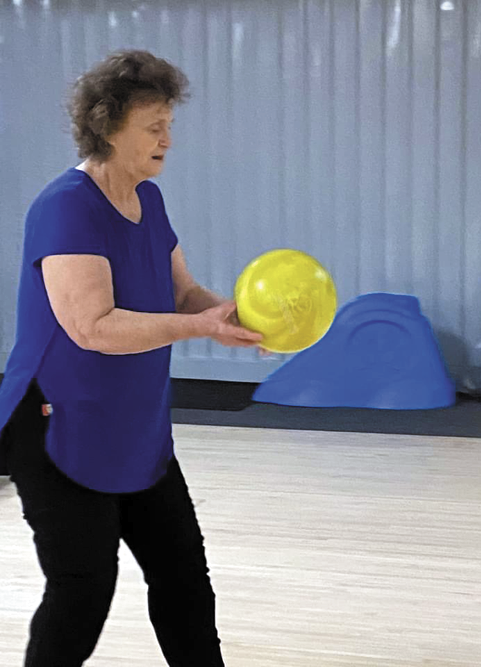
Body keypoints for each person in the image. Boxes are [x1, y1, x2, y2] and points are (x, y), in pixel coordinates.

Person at [0, 49, 263, 667]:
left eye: (169, 124)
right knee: (83, 589)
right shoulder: (67, 206)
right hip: (57, 422)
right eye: (154, 126)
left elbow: (182, 293)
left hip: (135, 428)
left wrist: (228, 315)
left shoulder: (149, 200)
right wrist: (196, 327)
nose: (168, 138)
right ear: (108, 125)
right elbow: (92, 326)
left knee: (184, 580)